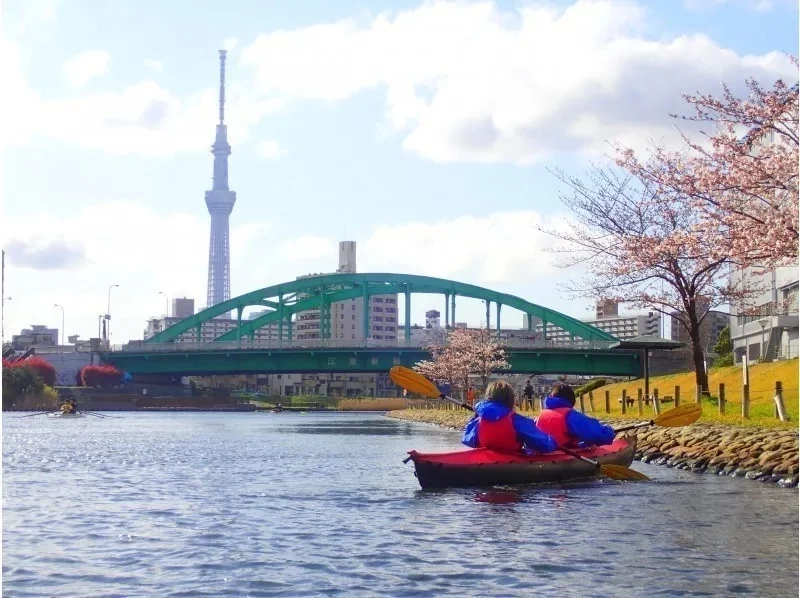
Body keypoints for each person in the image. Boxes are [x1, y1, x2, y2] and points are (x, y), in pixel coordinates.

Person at [462, 380, 557, 454]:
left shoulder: (479, 420)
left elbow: (467, 440)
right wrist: (553, 442)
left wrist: (474, 418)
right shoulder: (517, 421)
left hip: (486, 459)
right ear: (510, 400)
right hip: (511, 460)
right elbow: (545, 445)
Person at [536, 382, 615, 448]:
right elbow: (600, 435)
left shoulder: (540, 415)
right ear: (571, 402)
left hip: (538, 455)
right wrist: (610, 432)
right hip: (561, 456)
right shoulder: (570, 416)